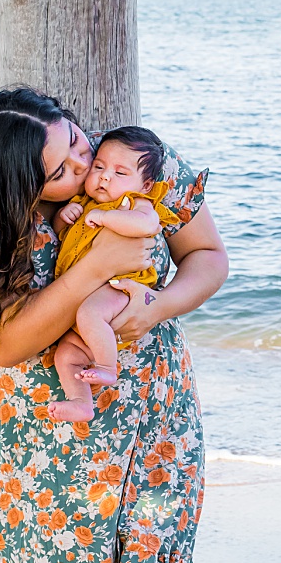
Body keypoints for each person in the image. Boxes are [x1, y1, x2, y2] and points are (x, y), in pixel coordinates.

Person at [0, 87, 227, 563]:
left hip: (152, 419)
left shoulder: (131, 161)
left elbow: (207, 255)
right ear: (19, 182)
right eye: (58, 172)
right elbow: (3, 346)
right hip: (40, 442)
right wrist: (96, 266)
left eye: (75, 140)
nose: (83, 165)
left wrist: (155, 309)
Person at [48, 126, 179, 423]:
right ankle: (81, 402)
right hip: (86, 287)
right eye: (99, 167)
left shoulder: (135, 202)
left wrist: (107, 217)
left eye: (120, 173)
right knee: (65, 354)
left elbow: (146, 225)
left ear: (144, 185)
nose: (105, 177)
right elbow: (63, 238)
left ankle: (107, 367)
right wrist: (61, 218)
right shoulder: (83, 204)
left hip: (118, 287)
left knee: (90, 315)